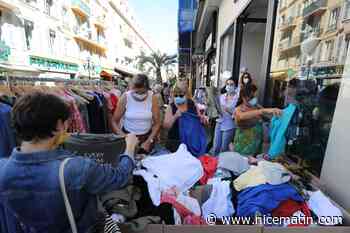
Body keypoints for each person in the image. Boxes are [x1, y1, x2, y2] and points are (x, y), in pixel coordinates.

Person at [0, 92, 138, 233]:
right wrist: (130, 147)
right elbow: (120, 177)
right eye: (66, 123)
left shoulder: (3, 169)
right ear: (60, 125)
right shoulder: (76, 168)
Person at [112, 74, 161, 153]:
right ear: (132, 88)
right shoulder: (125, 97)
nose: (140, 95)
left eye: (143, 92)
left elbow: (157, 123)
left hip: (146, 138)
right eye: (137, 92)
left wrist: (149, 141)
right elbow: (114, 121)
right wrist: (124, 137)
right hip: (127, 137)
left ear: (147, 89)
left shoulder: (152, 98)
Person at [234, 84, 282, 156]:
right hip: (243, 147)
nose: (254, 99)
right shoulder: (239, 109)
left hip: (257, 146)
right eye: (252, 97)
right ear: (244, 97)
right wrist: (262, 111)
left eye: (255, 96)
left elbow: (269, 116)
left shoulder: (256, 106)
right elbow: (241, 116)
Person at [163, 85, 207, 152]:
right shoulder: (171, 107)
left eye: (181, 95)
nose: (178, 97)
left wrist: (203, 120)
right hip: (175, 142)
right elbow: (166, 126)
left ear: (186, 95)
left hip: (191, 143)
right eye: (175, 95)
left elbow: (200, 119)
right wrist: (175, 116)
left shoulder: (192, 104)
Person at [213, 78, 240, 155]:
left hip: (229, 124)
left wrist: (228, 109)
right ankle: (214, 163)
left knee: (224, 148)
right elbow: (217, 108)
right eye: (227, 84)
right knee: (216, 146)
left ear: (235, 86)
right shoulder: (222, 96)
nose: (229, 86)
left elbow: (237, 113)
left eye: (231, 84)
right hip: (219, 122)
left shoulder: (237, 98)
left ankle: (222, 164)